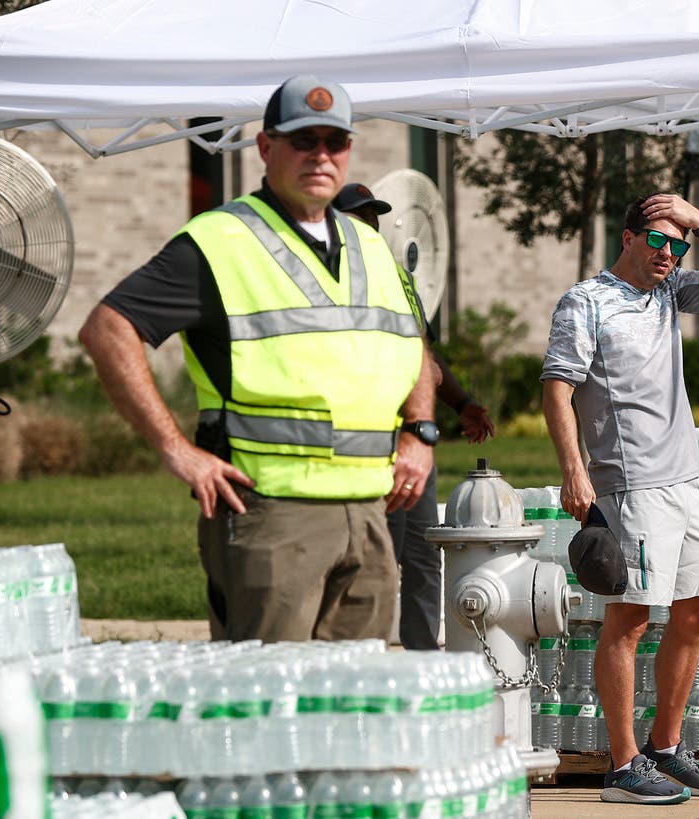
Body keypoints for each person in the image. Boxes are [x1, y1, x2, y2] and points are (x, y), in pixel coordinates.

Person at [78, 75, 437, 643]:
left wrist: (420, 431)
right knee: (269, 693)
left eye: (335, 142)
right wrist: (177, 451)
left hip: (371, 512)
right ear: (266, 147)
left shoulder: (370, 245)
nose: (321, 155)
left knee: (358, 692)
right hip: (271, 514)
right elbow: (108, 329)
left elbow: (409, 339)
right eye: (303, 140)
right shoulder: (218, 241)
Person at [542, 193, 699, 804]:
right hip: (630, 482)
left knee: (698, 611)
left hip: (684, 480)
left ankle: (665, 747)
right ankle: (622, 765)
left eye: (677, 245)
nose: (668, 254)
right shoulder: (586, 301)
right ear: (628, 238)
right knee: (631, 618)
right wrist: (574, 470)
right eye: (657, 240)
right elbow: (557, 389)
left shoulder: (670, 290)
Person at [333, 181, 496, 649]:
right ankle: (365, 652)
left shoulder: (399, 278)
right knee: (376, 551)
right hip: (365, 436)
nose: (370, 224)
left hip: (414, 435)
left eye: (374, 216)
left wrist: (462, 404)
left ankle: (421, 655)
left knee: (423, 550)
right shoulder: (332, 278)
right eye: (359, 216)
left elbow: (425, 355)